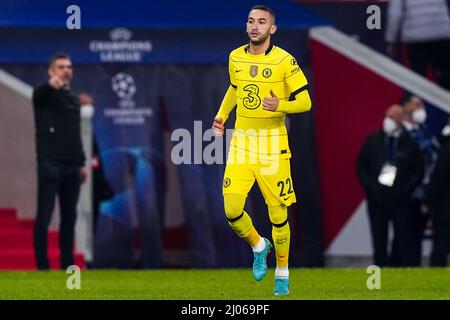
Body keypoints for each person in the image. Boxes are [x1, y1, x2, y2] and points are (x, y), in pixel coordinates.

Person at [212, 5, 312, 295]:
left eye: (262, 22)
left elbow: (305, 102)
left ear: (273, 29)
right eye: (251, 21)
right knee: (231, 210)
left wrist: (279, 105)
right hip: (242, 142)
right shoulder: (235, 57)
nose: (255, 26)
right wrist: (222, 115)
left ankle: (282, 273)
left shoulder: (285, 61)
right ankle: (258, 245)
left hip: (273, 146)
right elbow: (235, 88)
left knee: (278, 216)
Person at [32, 52, 87, 270]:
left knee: (69, 217)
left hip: (72, 166)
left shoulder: (73, 99)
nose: (66, 70)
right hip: (50, 164)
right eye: (62, 67)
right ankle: (42, 266)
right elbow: (38, 94)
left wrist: (81, 163)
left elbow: (76, 134)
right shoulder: (43, 95)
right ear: (51, 71)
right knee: (44, 216)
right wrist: (49, 85)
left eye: (69, 67)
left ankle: (67, 265)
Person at [356, 105, 424, 267]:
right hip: (377, 200)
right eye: (387, 116)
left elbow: (418, 171)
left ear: (401, 120)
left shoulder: (410, 143)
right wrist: (370, 188)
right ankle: (380, 275)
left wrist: (405, 191)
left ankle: (399, 273)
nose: (388, 120)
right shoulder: (373, 140)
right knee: (379, 240)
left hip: (401, 201)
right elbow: (361, 165)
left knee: (402, 240)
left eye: (392, 117)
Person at [398, 93, 439, 265]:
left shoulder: (424, 129)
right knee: (404, 236)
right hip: (406, 191)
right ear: (406, 107)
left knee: (417, 235)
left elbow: (433, 153)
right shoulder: (398, 131)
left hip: (425, 191)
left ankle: (413, 269)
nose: (420, 108)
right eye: (416, 104)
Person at [385, 0, 450, 90]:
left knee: (418, 77)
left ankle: (419, 101)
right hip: (442, 34)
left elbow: (395, 14)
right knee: (446, 73)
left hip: (416, 39)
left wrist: (391, 41)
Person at [426, 119, 450, 266]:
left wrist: (429, 201)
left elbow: (438, 177)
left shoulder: (447, 147)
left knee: (440, 248)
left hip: (446, 208)